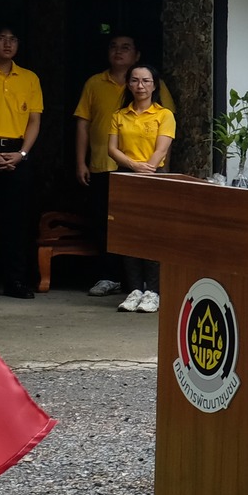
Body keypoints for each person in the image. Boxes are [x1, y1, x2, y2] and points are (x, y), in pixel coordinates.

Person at [72, 32, 170, 299]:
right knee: (111, 226)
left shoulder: (160, 105)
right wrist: (80, 161)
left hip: (150, 173)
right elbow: (84, 123)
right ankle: (113, 278)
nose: (119, 51)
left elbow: (166, 139)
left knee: (149, 229)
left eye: (126, 47)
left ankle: (148, 288)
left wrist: (155, 169)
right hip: (108, 167)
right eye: (113, 46)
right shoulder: (95, 84)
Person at [104, 63, 174, 313]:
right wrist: (134, 165)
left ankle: (153, 291)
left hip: (155, 177)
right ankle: (134, 289)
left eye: (145, 81)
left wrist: (148, 169)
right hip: (126, 175)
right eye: (135, 81)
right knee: (129, 234)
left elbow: (162, 148)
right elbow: (112, 148)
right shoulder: (119, 115)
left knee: (153, 234)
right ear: (128, 84)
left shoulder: (163, 114)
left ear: (154, 85)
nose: (140, 86)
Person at [0, 22, 42, 300]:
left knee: (18, 220)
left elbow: (34, 120)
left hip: (18, 153)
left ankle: (15, 281)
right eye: (1, 38)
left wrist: (22, 154)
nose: (8, 44)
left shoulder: (29, 78)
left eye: (13, 38)